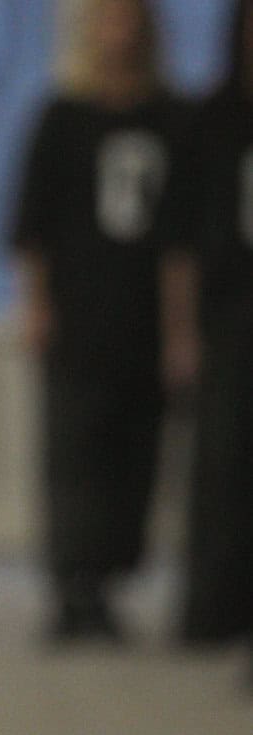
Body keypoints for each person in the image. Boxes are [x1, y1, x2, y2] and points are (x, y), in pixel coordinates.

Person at [7, 0, 195, 641]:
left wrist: (180, 331)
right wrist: (36, 305)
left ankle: (110, 577)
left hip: (140, 321)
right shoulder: (62, 118)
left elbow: (181, 242)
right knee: (74, 454)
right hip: (77, 320)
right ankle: (73, 584)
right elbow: (32, 226)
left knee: (134, 458)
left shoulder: (171, 120)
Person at [178, 0, 253, 654]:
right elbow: (181, 242)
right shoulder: (213, 121)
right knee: (223, 463)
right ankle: (214, 607)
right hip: (229, 311)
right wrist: (181, 331)